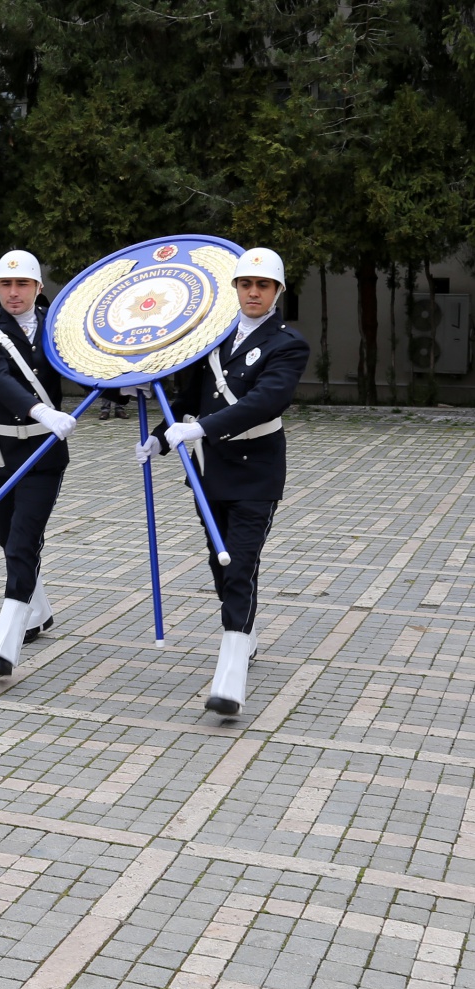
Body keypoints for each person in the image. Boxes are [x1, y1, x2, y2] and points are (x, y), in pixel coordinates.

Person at [137, 247, 309, 716]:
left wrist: (200, 428)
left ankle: (230, 679)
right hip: (210, 473)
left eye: (263, 286)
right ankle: (246, 634)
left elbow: (266, 401)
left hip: (256, 471)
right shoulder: (210, 338)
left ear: (277, 292)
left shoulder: (288, 344)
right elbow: (186, 396)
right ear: (235, 288)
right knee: (221, 565)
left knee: (240, 565)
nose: (253, 293)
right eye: (246, 284)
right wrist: (161, 439)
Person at [0, 250, 79, 678]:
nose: (14, 293)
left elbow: (90, 368)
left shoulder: (60, 326)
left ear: (37, 288)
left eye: (23, 285)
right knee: (8, 537)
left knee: (22, 540)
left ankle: (5, 644)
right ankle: (40, 612)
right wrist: (41, 410)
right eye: (6, 285)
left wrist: (126, 387)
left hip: (45, 453)